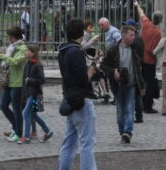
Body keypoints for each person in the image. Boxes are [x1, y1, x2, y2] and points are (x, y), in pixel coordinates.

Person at [57, 18, 97, 170]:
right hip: (81, 100)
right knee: (87, 143)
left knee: (69, 142)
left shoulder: (63, 50)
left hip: (69, 98)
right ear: (81, 33)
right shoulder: (76, 52)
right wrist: (93, 63)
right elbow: (84, 79)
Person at [101, 23, 144, 143]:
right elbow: (103, 65)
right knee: (120, 112)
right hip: (118, 85)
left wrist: (142, 85)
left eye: (134, 35)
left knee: (130, 109)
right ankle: (122, 132)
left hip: (131, 84)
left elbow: (139, 68)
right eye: (131, 35)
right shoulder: (113, 50)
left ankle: (128, 132)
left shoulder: (135, 49)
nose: (133, 37)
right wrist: (113, 71)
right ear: (123, 35)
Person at [0, 26, 28, 141]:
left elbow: (15, 62)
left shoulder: (22, 48)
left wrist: (3, 56)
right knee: (3, 105)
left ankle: (19, 133)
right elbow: (6, 64)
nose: (9, 39)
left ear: (15, 37)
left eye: (10, 37)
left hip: (17, 82)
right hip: (9, 80)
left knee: (16, 109)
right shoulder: (11, 47)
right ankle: (16, 127)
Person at [132, 1, 161, 114]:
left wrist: (137, 5)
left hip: (140, 58)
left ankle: (141, 102)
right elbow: (153, 50)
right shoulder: (157, 33)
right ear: (160, 21)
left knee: (141, 81)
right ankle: (147, 106)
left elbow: (141, 13)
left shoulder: (146, 23)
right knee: (149, 83)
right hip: (149, 60)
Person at [19, 44, 52, 143]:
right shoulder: (27, 64)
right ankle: (48, 131)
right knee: (33, 115)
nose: (25, 52)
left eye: (27, 51)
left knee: (25, 113)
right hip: (29, 93)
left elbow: (42, 80)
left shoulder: (38, 65)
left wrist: (30, 80)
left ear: (33, 53)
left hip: (35, 94)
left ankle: (26, 137)